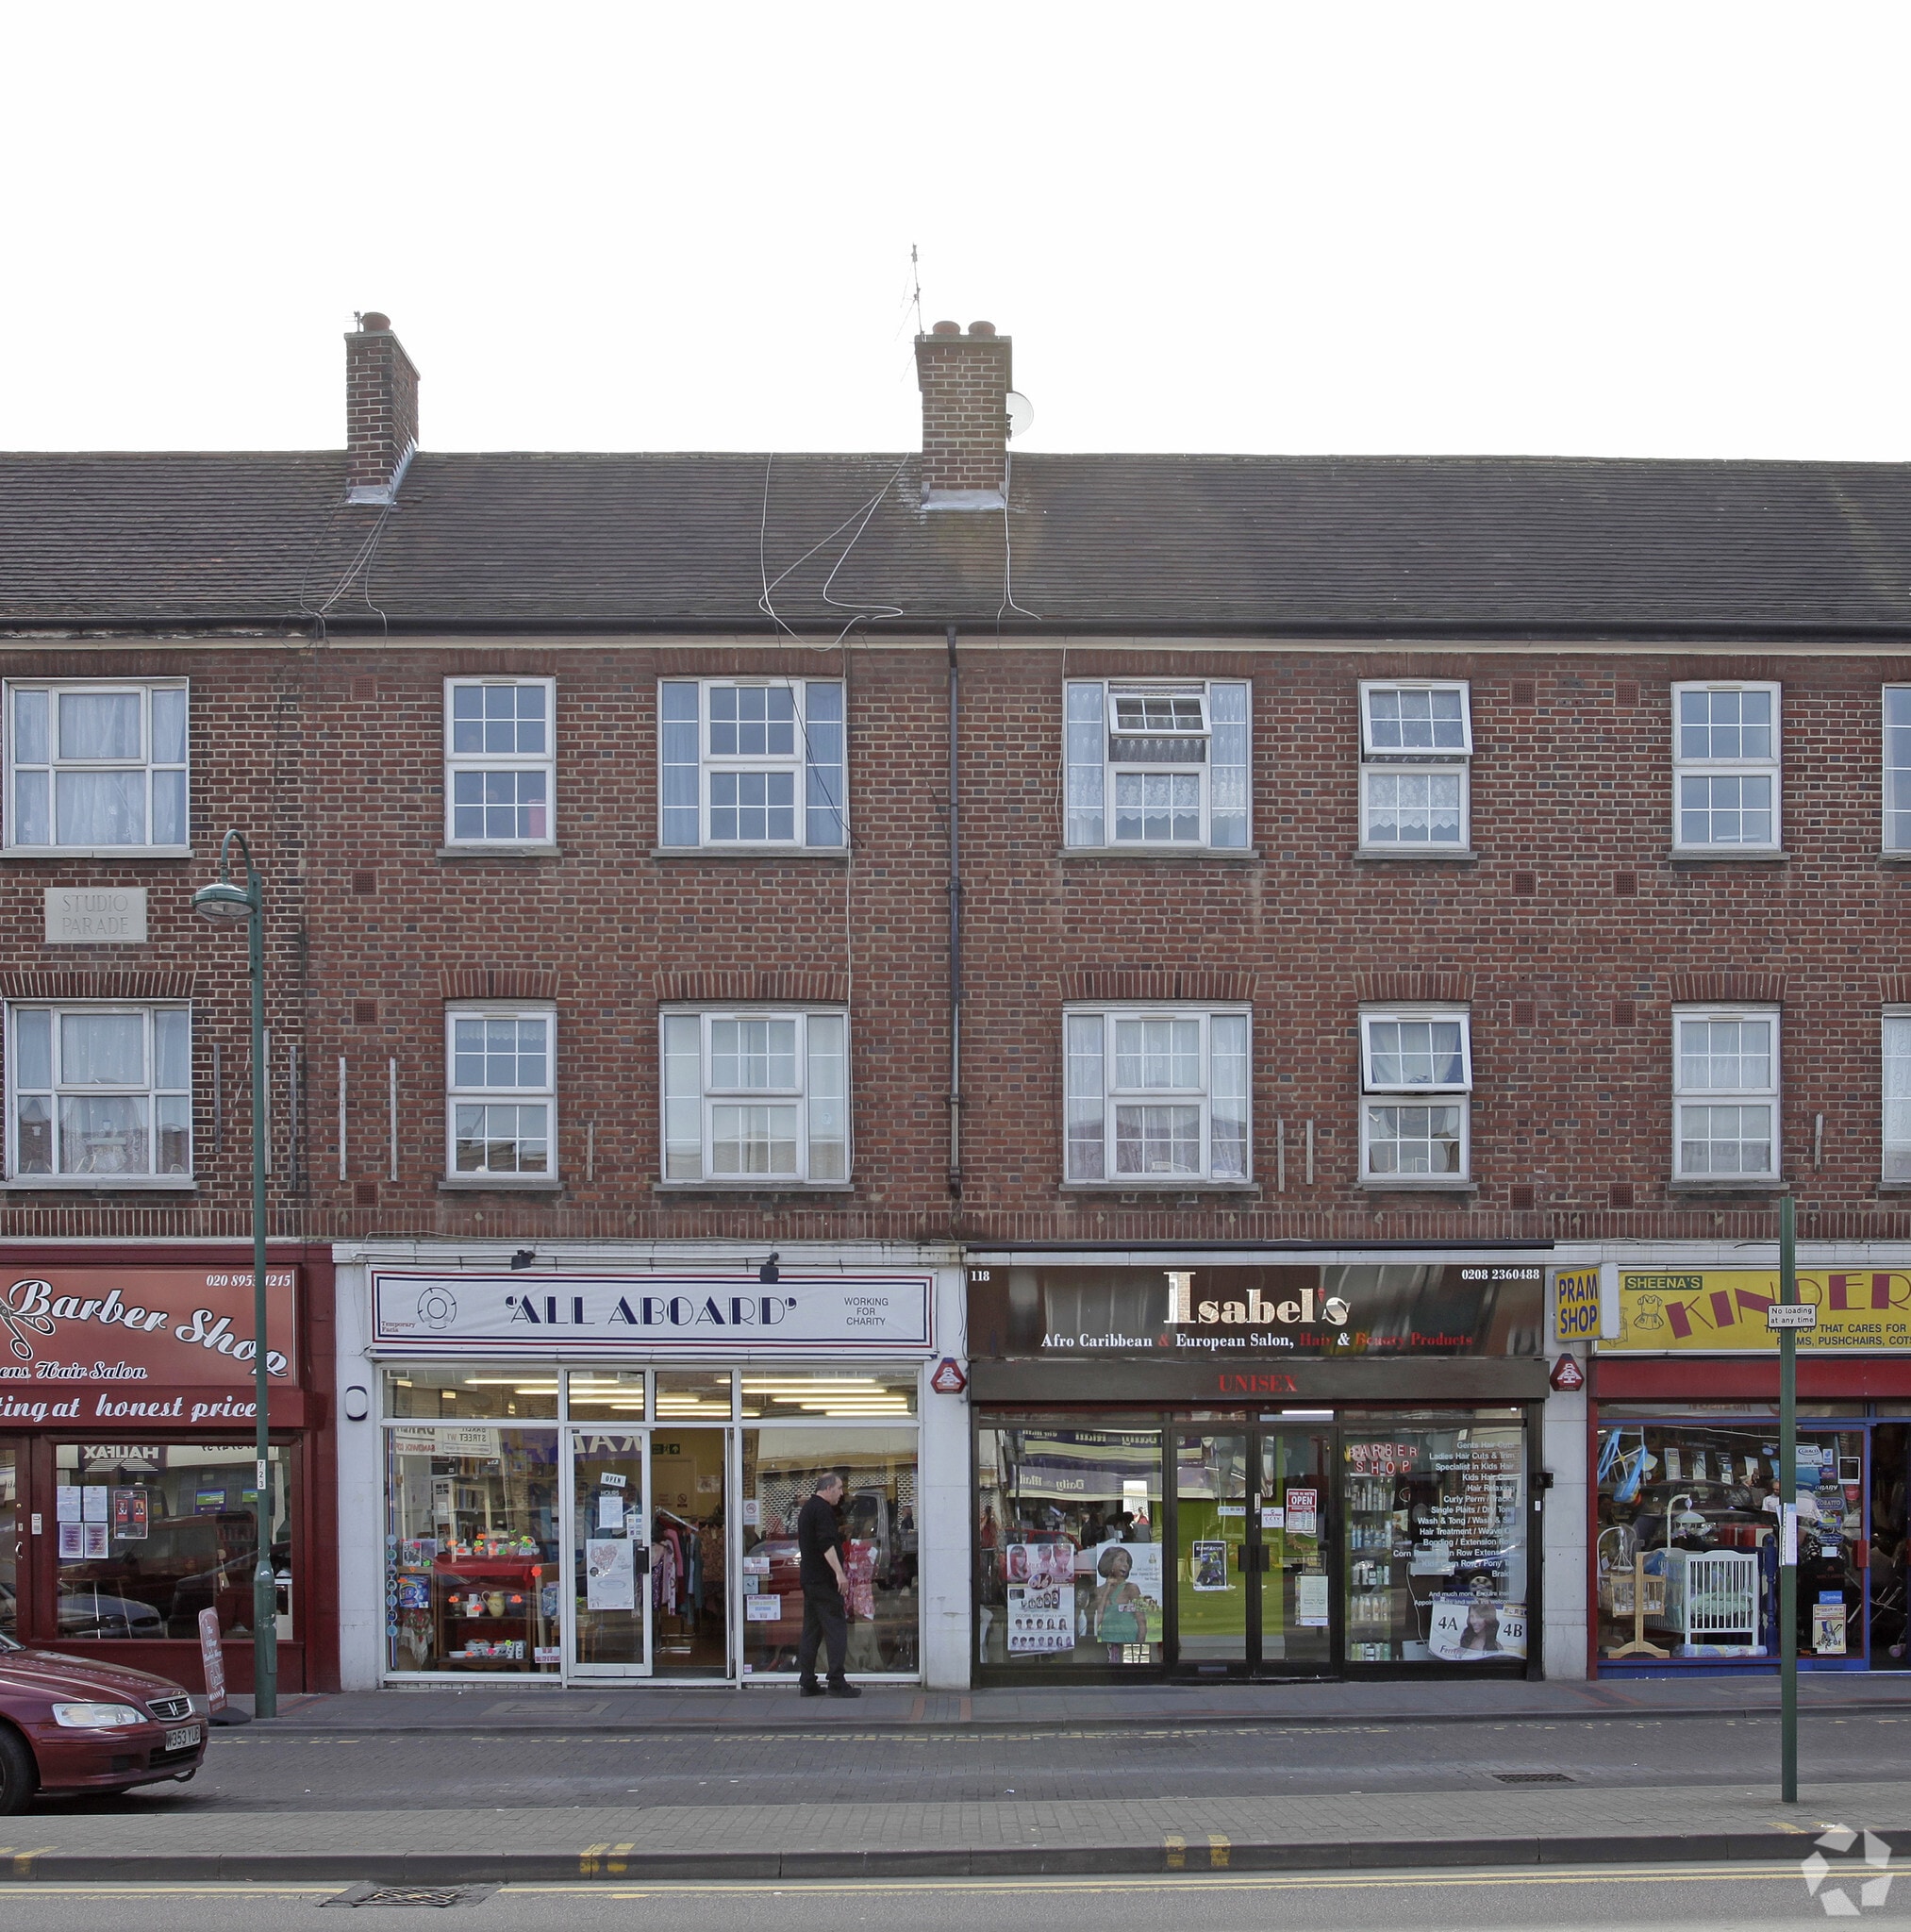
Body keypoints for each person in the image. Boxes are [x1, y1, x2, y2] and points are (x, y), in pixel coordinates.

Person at [796, 1472, 860, 1699]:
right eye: (840, 1488)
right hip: (824, 1579)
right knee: (836, 1628)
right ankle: (836, 1681)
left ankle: (807, 1681)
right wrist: (839, 1573)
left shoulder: (807, 1509)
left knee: (811, 1630)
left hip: (809, 1578)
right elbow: (825, 1544)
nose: (842, 1493)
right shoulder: (823, 1510)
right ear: (828, 1488)